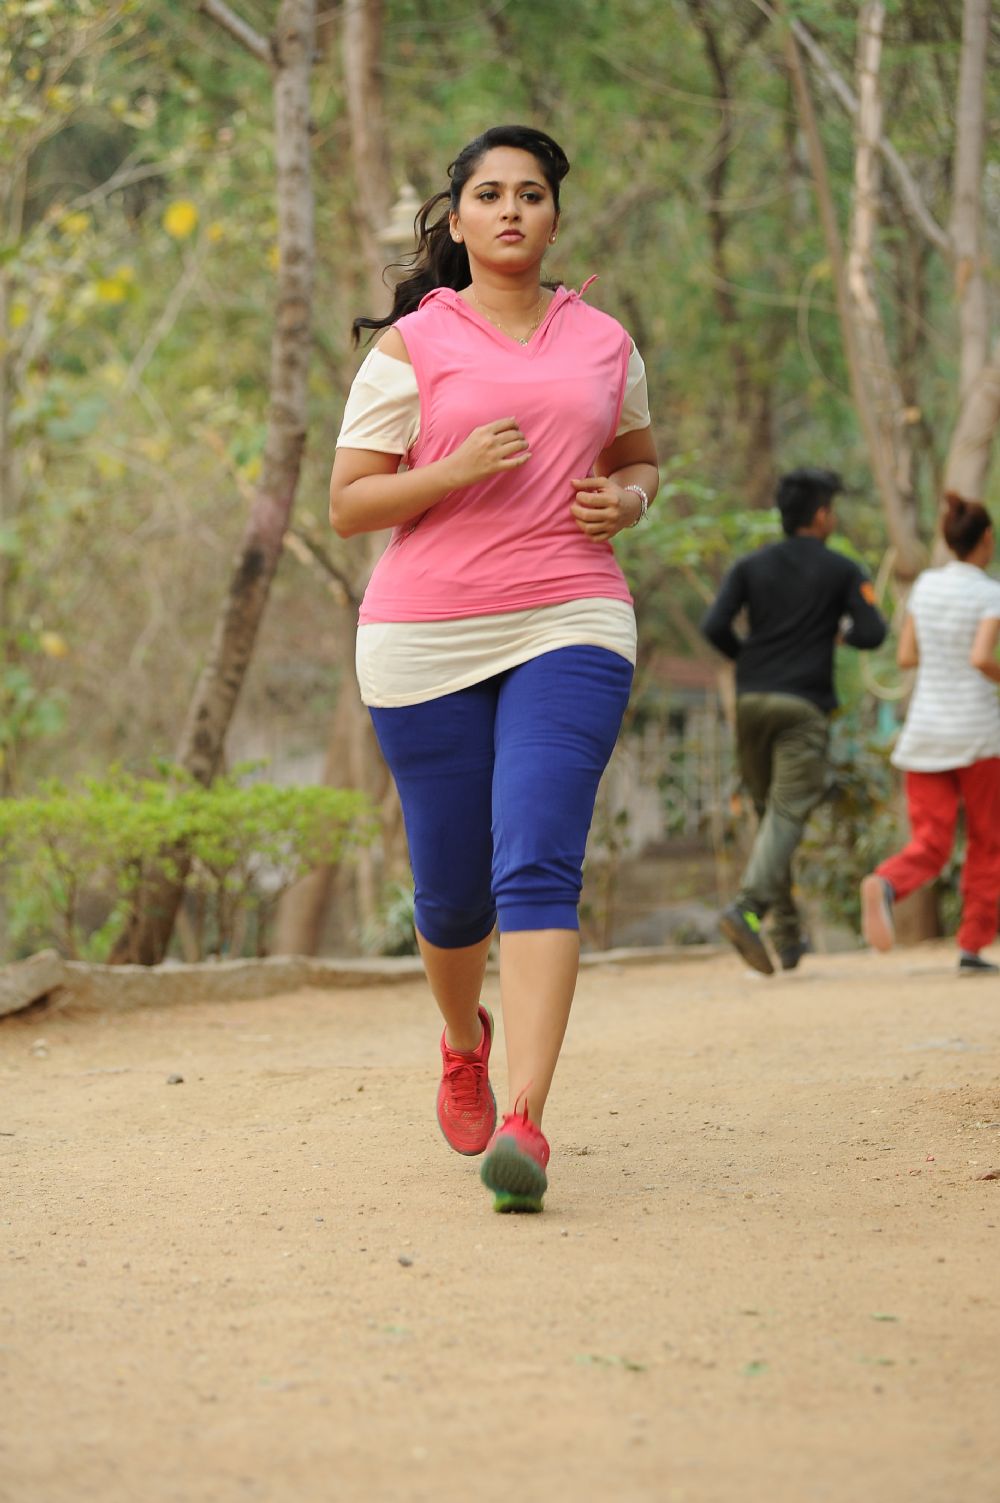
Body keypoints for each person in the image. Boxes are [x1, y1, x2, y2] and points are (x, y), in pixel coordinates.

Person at [328, 125, 658, 1212]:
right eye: (489, 194)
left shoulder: (604, 341)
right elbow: (349, 503)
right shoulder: (412, 347)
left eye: (531, 193)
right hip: (425, 634)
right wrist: (455, 468)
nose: (511, 209)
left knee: (537, 864)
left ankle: (526, 1118)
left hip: (572, 616)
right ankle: (462, 1040)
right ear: (459, 218)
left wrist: (630, 502)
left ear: (555, 216)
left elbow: (639, 459)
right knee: (453, 892)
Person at [700, 466, 887, 975]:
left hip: (752, 702)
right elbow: (874, 631)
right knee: (786, 814)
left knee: (769, 815)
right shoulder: (843, 570)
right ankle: (746, 910)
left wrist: (748, 660)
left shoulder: (750, 566)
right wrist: (841, 633)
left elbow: (714, 625)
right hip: (802, 707)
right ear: (822, 515)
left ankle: (785, 937)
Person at [860, 493, 1000, 976]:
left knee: (932, 842)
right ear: (986, 539)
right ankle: (972, 946)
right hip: (978, 735)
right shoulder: (990, 593)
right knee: (987, 842)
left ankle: (886, 883)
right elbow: (980, 658)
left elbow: (906, 657)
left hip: (925, 734)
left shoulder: (925, 586)